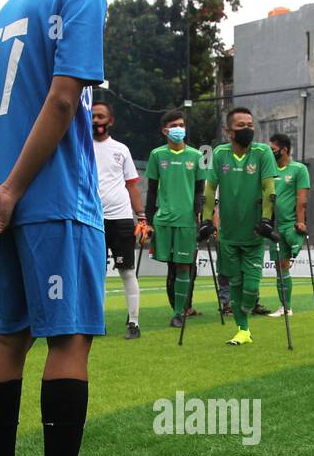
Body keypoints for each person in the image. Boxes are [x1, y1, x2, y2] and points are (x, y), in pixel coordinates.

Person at [0, 0, 125, 456]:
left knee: (10, 336)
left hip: (5, 197)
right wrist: (12, 190)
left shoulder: (11, 7)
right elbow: (63, 99)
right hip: (54, 195)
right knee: (70, 336)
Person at [201, 107, 278, 345]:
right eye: (241, 126)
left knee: (250, 287)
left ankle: (245, 311)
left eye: (250, 125)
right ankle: (243, 330)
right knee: (234, 282)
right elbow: (210, 190)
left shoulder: (263, 152)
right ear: (228, 131)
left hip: (254, 232)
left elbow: (268, 189)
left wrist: (267, 219)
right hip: (229, 234)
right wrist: (206, 220)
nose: (248, 130)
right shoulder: (220, 154)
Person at [145, 109, 206, 329]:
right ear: (165, 131)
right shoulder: (156, 155)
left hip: (187, 222)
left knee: (183, 267)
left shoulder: (197, 156)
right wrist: (148, 220)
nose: (179, 129)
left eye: (181, 125)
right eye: (174, 126)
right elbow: (151, 191)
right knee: (171, 268)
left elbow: (200, 190)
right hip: (164, 221)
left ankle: (179, 312)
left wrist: (200, 212)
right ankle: (177, 307)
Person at [90, 101, 145, 339]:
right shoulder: (80, 147)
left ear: (110, 121)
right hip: (91, 221)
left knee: (127, 272)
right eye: (92, 117)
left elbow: (131, 185)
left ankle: (133, 322)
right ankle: (95, 322)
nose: (96, 121)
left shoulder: (121, 149)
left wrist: (141, 217)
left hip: (121, 219)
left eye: (100, 117)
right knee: (95, 273)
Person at [263, 133, 310, 318]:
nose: (271, 152)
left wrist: (301, 221)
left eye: (273, 149)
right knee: (280, 266)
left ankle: (299, 241)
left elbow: (302, 200)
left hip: (291, 225)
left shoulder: (299, 169)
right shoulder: (270, 170)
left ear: (285, 149)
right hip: (274, 225)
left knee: (285, 263)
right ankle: (285, 307)